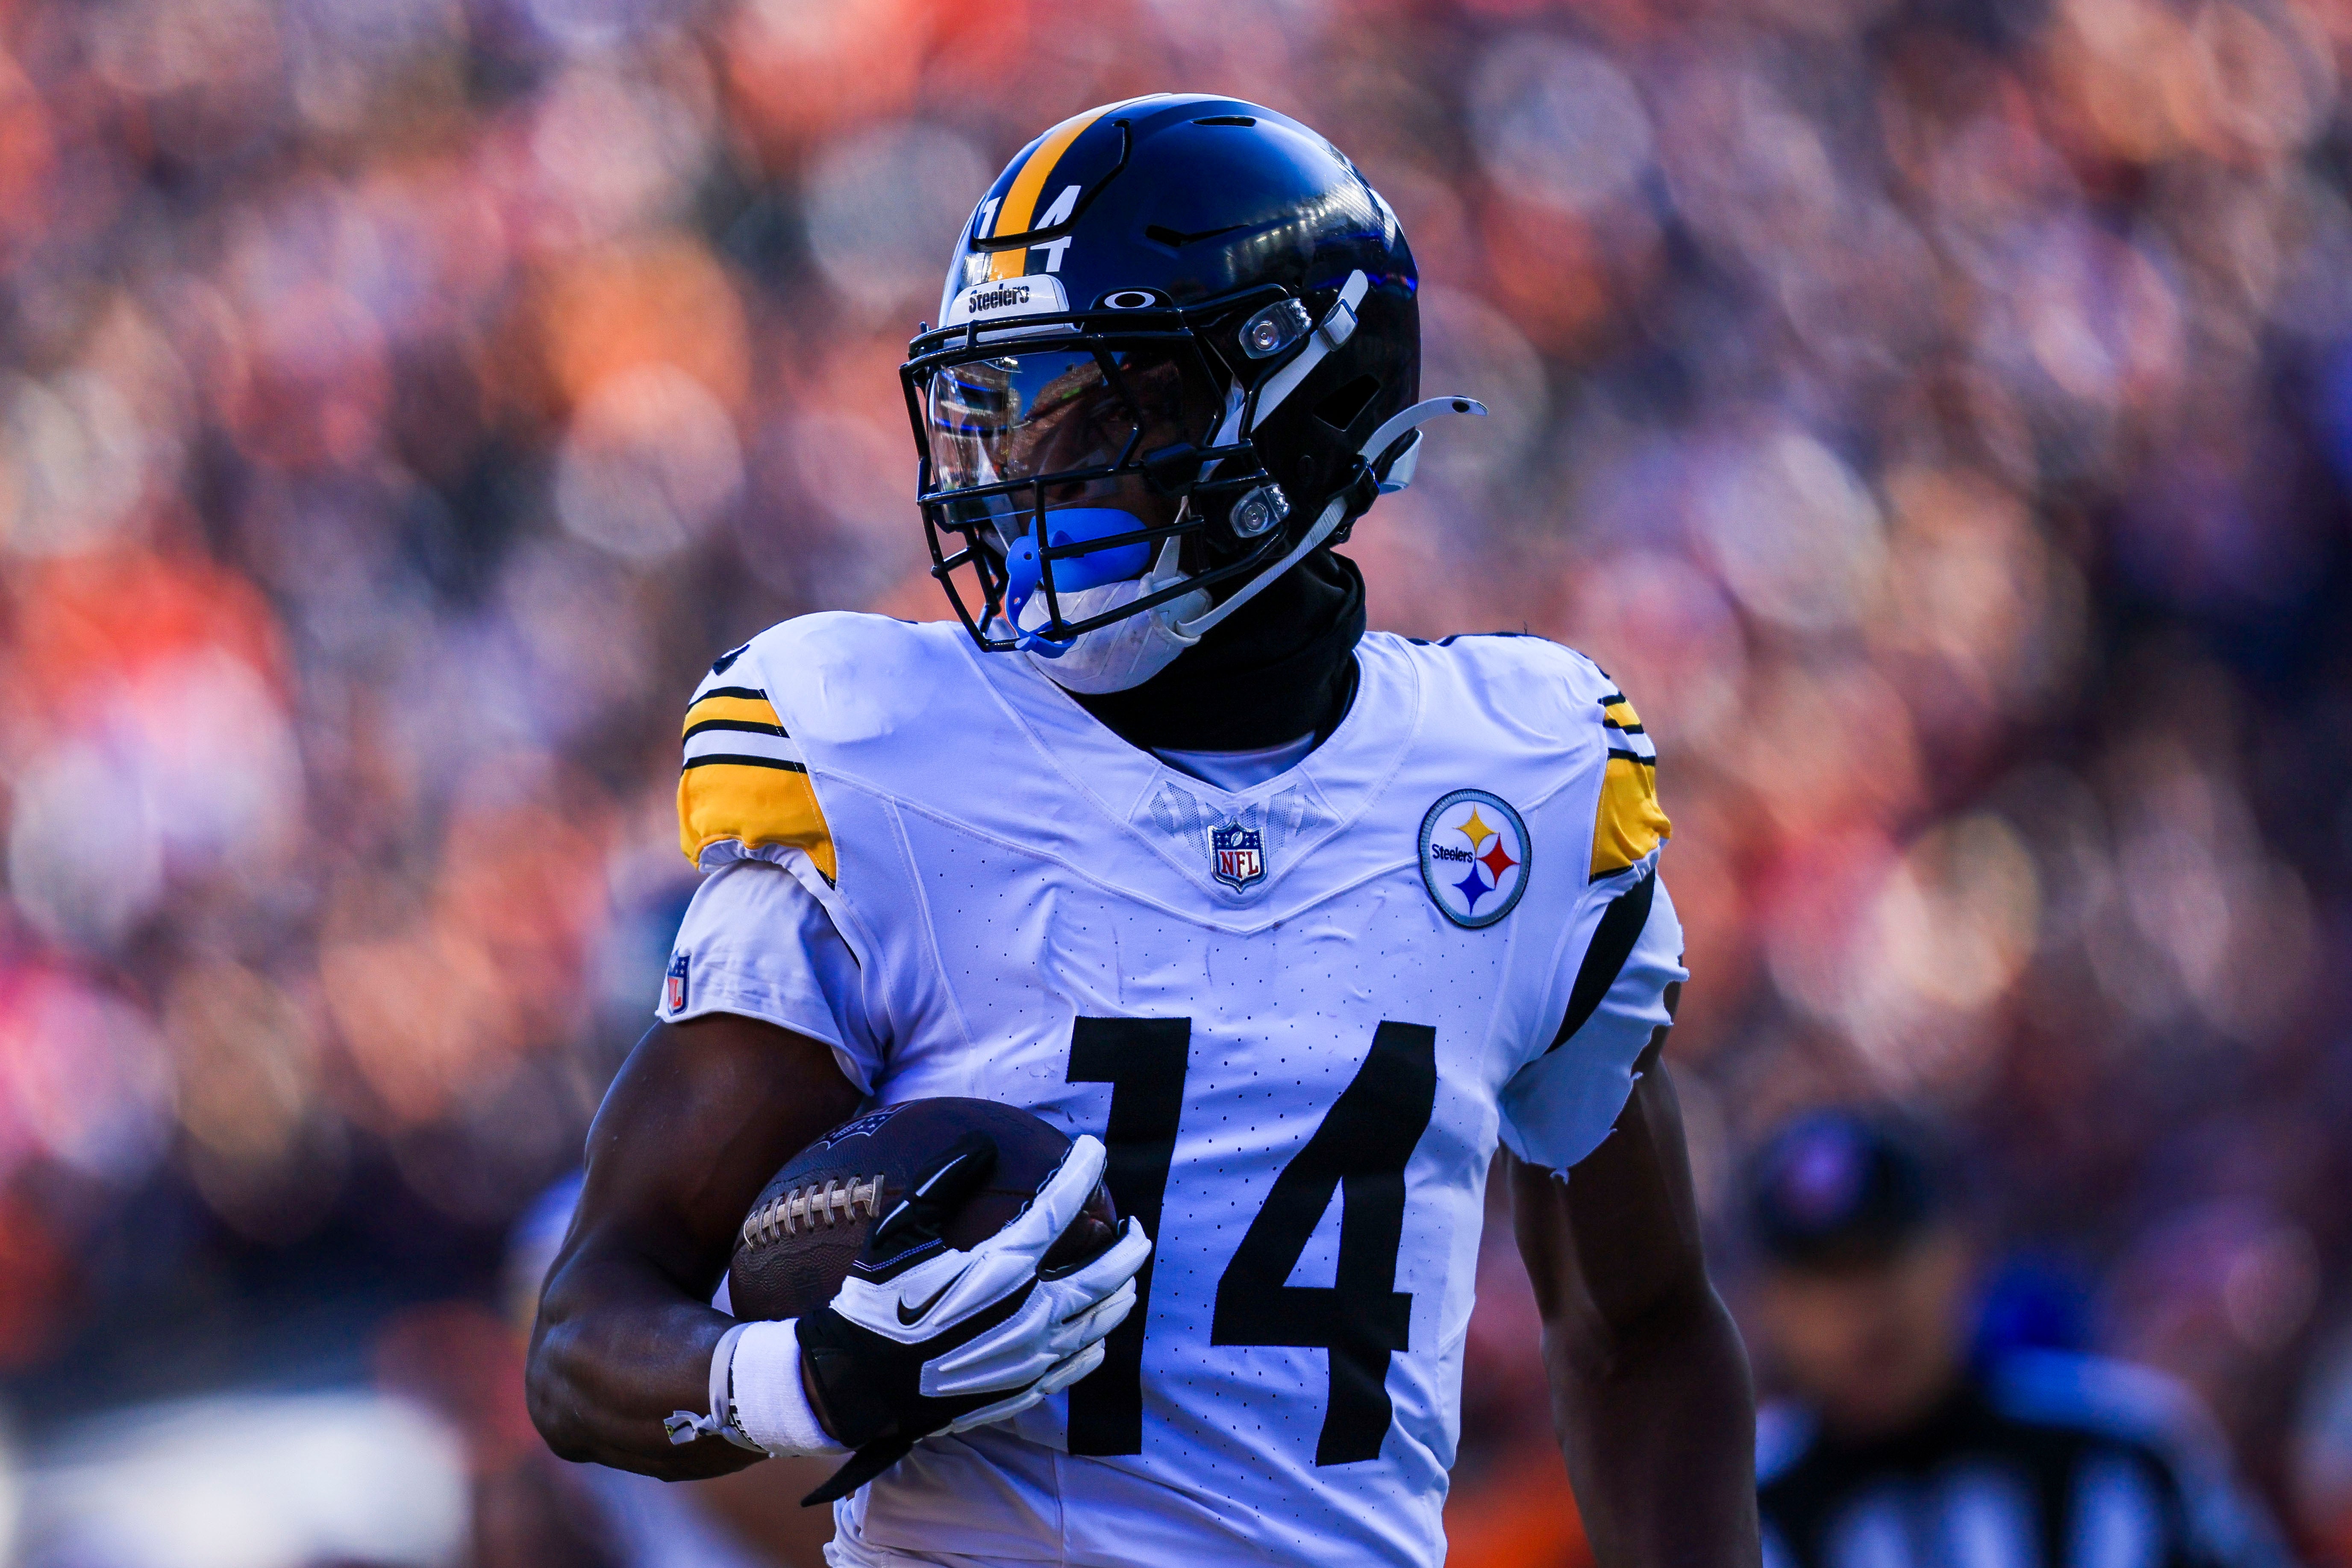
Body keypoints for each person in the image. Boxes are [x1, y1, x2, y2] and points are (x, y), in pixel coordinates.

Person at [527, 94, 1760, 1568]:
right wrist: (809, 1375)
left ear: (1297, 408)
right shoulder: (882, 752)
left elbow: (1642, 1326)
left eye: (1100, 410)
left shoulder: (1522, 781)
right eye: (1002, 412)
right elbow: (589, 1325)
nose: (1018, 483)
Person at [1746, 1109, 2293, 1568]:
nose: (1861, 1306)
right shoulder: (1743, 1509)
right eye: (1823, 1279)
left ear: (1960, 1251)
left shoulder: (2125, 1450)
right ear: (1771, 1307)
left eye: (1882, 1259)